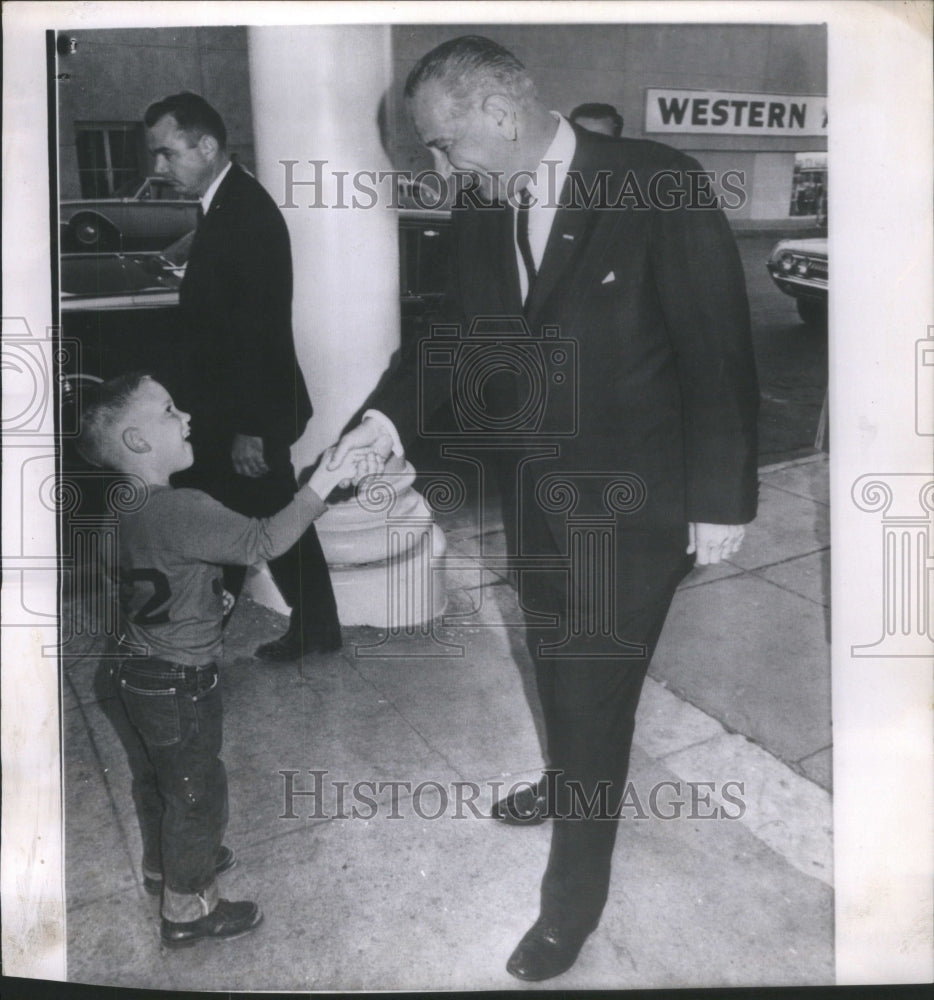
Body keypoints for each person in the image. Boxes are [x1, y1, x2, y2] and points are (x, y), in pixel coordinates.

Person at [331, 36, 759, 981]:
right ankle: (569, 780)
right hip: (536, 498)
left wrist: (721, 500)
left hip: (636, 507)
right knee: (555, 658)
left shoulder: (657, 183)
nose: (440, 163)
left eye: (442, 143)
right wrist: (383, 427)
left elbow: (717, 349)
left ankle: (572, 904)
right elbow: (453, 341)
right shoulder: (484, 210)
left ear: (499, 111)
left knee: (587, 685)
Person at [76, 373, 376, 947]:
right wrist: (325, 481)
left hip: (128, 674)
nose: (187, 416)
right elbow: (264, 540)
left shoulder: (116, 509)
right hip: (177, 683)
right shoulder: (183, 507)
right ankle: (189, 909)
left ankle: (165, 865)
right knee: (197, 791)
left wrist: (207, 597)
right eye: (169, 410)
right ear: (137, 442)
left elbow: (146, 580)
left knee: (154, 778)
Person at [144, 92, 342, 662]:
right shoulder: (225, 204)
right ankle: (304, 628)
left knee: (257, 516)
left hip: (244, 414)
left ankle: (202, 635)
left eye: (166, 153)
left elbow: (263, 329)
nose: (158, 169)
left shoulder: (244, 214)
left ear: (206, 146)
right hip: (229, 408)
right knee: (254, 517)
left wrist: (254, 428)